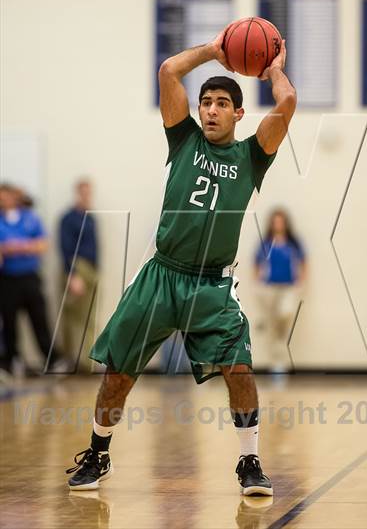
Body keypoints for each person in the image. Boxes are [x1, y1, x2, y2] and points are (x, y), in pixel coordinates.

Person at [65, 28, 296, 495]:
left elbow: (287, 103)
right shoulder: (184, 139)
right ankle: (99, 452)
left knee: (240, 370)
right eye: (205, 101)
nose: (210, 109)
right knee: (118, 374)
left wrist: (272, 69)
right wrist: (216, 50)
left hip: (211, 284)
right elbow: (169, 70)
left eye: (220, 103)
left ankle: (249, 461)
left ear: (238, 113)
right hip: (162, 274)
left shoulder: (252, 155)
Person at [0, 183, 61, 374]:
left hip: (30, 278)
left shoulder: (30, 218)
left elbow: (43, 244)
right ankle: (11, 362)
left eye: (7, 196)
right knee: (9, 322)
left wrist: (20, 246)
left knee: (39, 319)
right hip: (8, 279)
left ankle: (52, 360)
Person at [254, 209, 306, 373]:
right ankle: (277, 365)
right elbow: (256, 263)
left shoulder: (293, 243)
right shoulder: (266, 243)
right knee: (274, 329)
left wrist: (301, 281)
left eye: (280, 221)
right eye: (275, 221)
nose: (278, 224)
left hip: (288, 287)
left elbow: (304, 261)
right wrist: (258, 282)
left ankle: (279, 359)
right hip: (270, 288)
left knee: (285, 312)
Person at [59, 180, 98, 372]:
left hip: (91, 270)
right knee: (72, 317)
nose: (86, 195)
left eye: (89, 192)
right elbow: (65, 248)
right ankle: (70, 360)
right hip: (78, 269)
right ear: (77, 193)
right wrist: (72, 274)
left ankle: (86, 361)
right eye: (83, 192)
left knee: (89, 317)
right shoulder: (68, 218)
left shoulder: (91, 218)